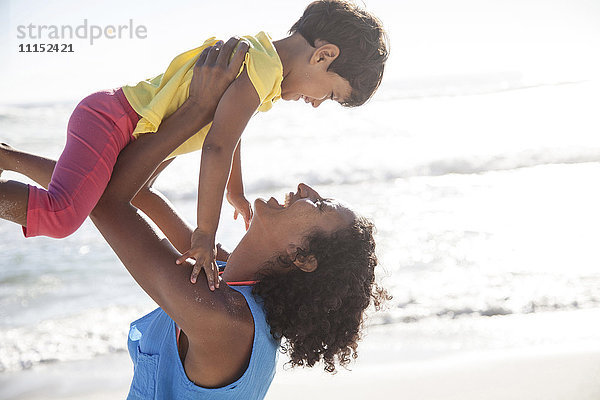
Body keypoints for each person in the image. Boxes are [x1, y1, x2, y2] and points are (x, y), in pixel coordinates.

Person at [1, 41, 388, 398]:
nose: (306, 188)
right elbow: (132, 193)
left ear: (302, 255)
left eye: (319, 206)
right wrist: (10, 158)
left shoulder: (225, 321)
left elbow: (110, 201)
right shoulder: (223, 275)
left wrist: (196, 111)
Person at [0, 0, 389, 291]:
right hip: (115, 123)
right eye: (332, 94)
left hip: (123, 124)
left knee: (88, 192)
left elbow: (230, 135)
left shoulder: (266, 71)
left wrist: (235, 193)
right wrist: (205, 233)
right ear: (324, 56)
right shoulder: (263, 68)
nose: (318, 103)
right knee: (62, 216)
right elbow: (216, 147)